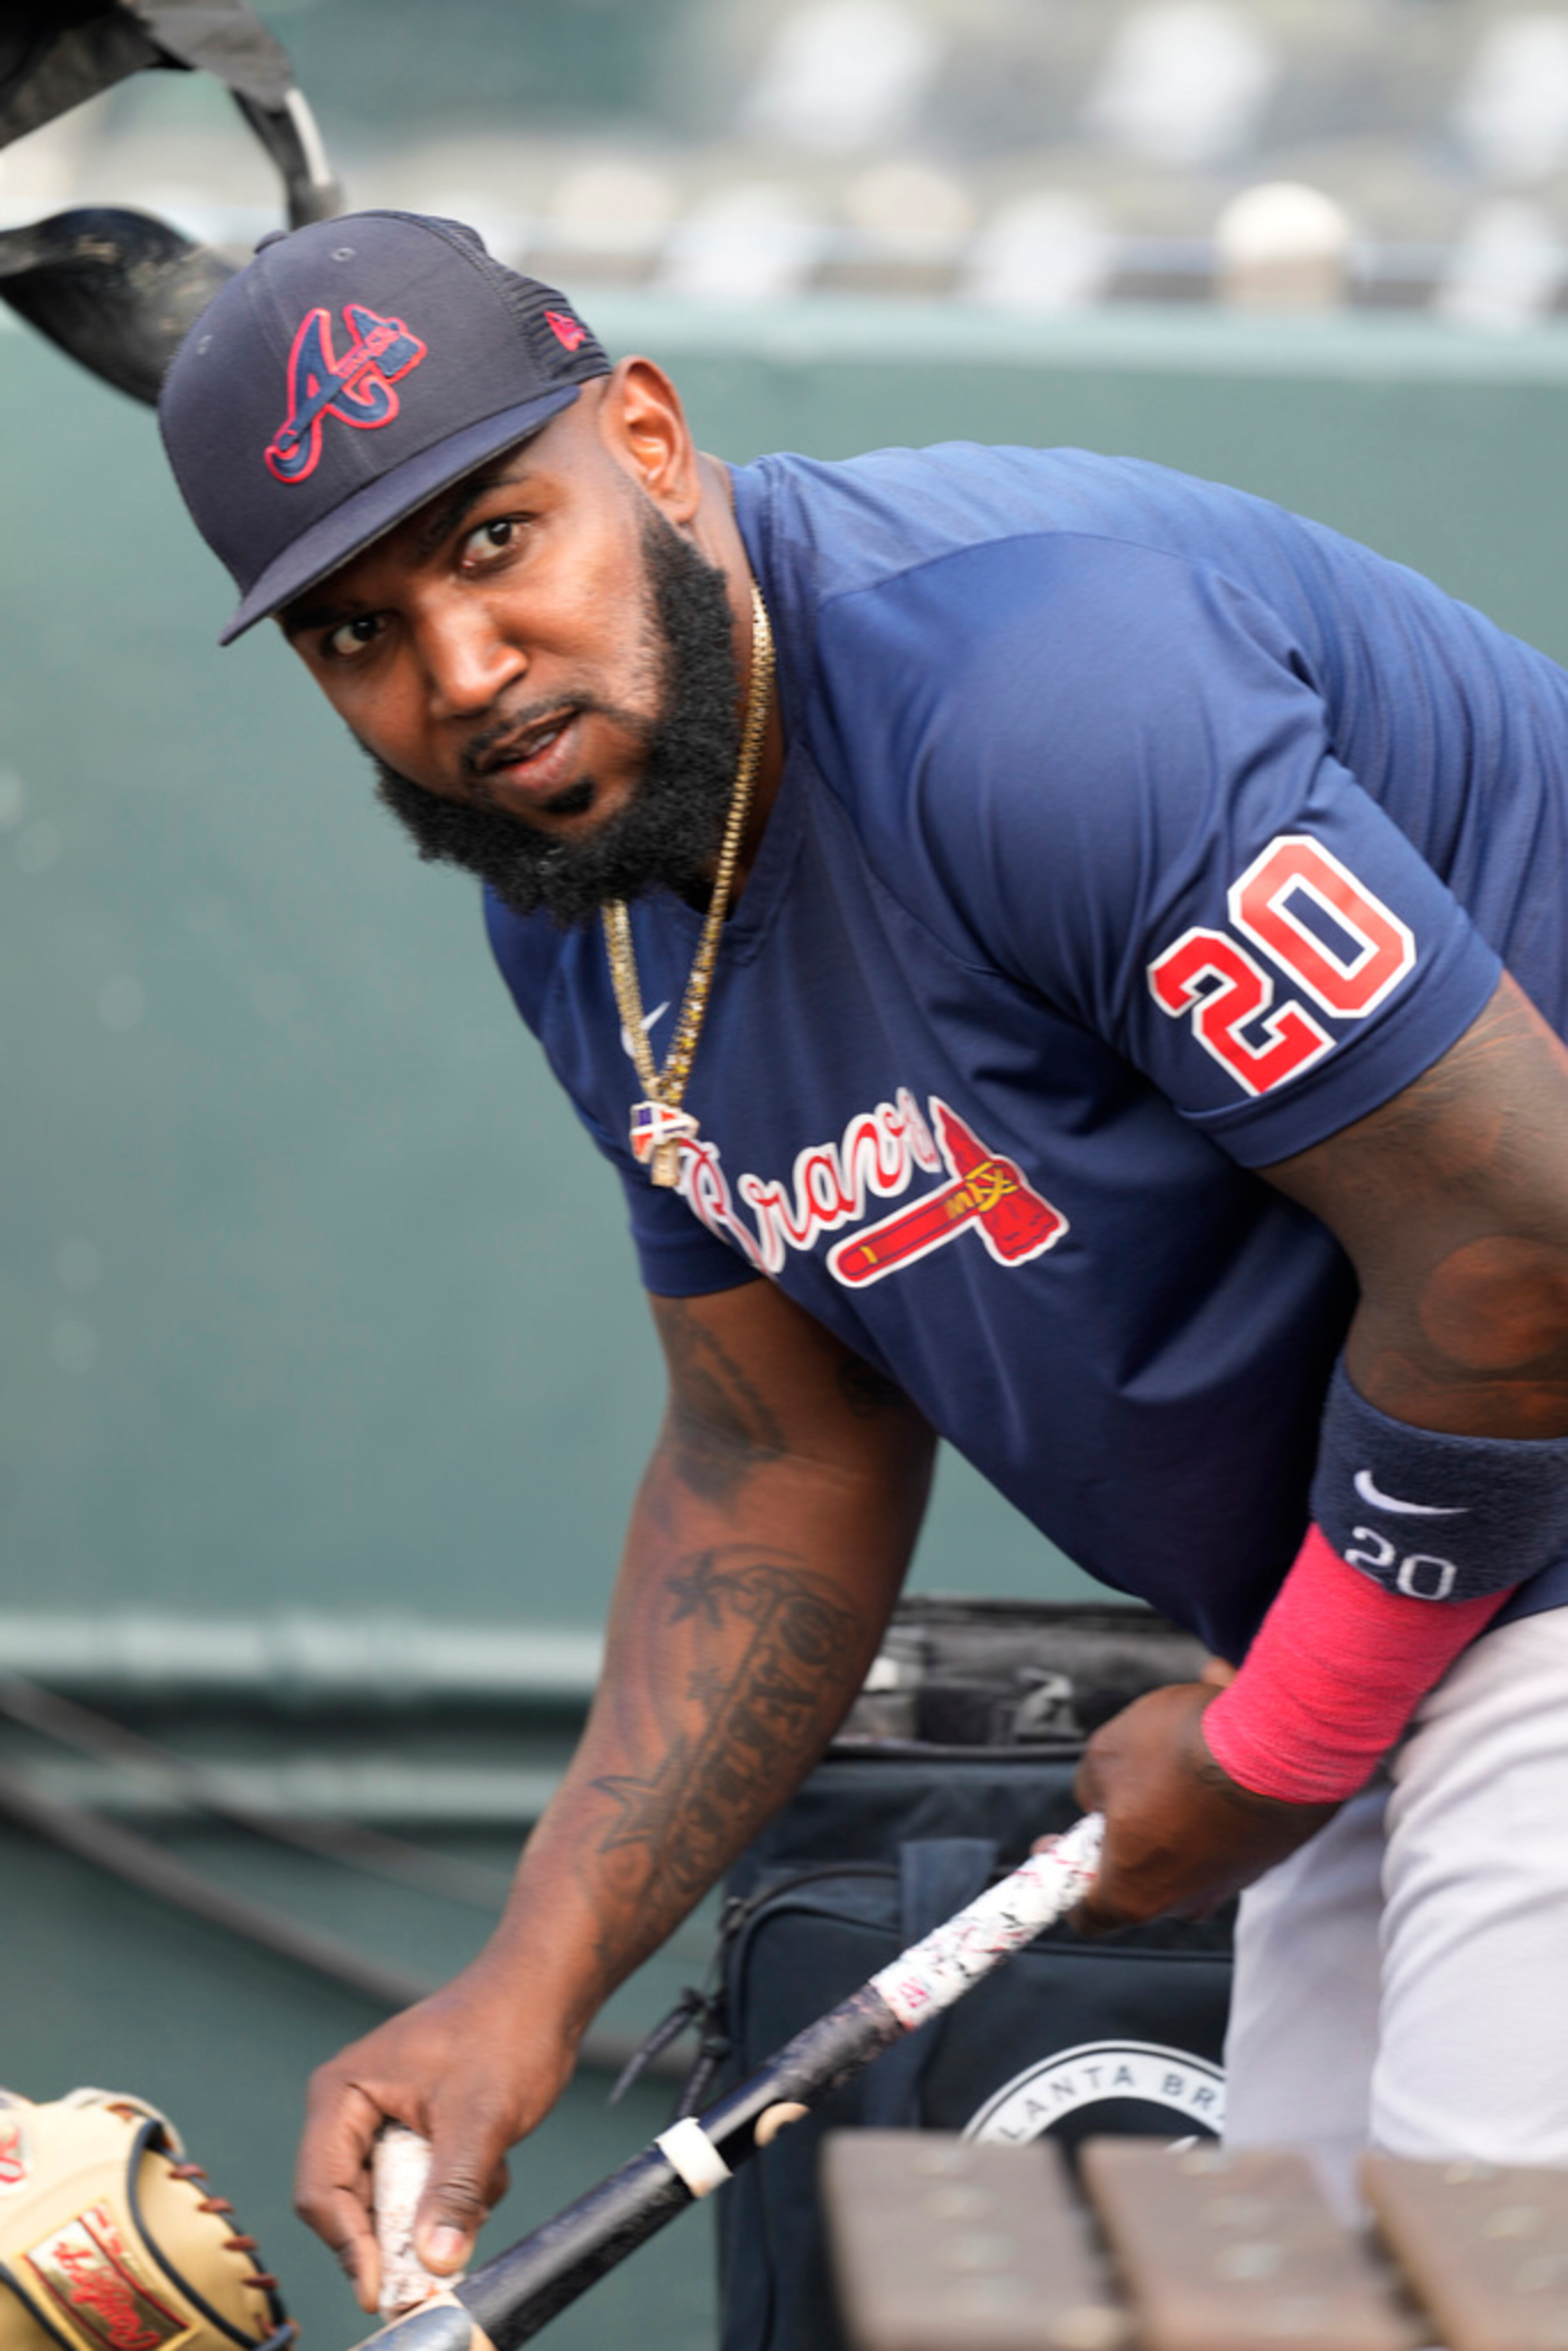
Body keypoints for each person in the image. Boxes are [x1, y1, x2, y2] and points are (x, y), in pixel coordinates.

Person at [157, 209, 1568, 2293]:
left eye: (486, 545)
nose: (460, 675)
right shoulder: (595, 890)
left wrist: (1281, 1744)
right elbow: (774, 1455)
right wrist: (530, 1985)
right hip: (1427, 1603)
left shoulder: (1040, 700)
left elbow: (1524, 1245)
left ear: (645, 436)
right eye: (356, 633)